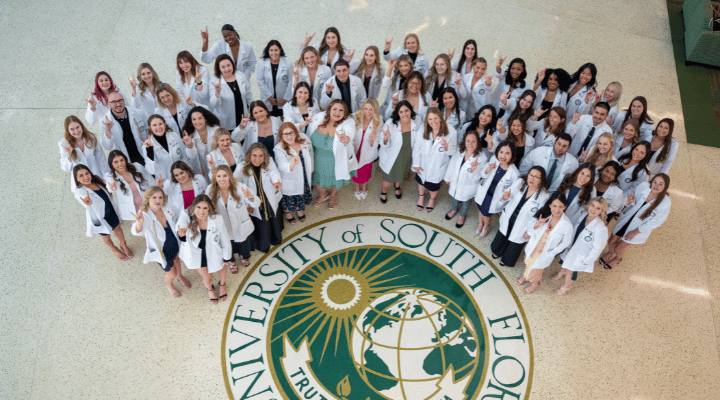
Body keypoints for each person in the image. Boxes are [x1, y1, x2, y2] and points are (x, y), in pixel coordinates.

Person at [131, 186, 192, 297]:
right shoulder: (145, 214)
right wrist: (139, 223)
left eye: (160, 197)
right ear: (148, 198)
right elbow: (137, 231)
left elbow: (179, 216)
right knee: (171, 272)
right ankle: (170, 285)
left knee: (177, 259)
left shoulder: (167, 206)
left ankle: (180, 276)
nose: (158, 200)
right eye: (154, 197)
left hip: (174, 241)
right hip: (162, 249)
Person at [601, 174, 671, 269]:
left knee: (619, 248)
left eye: (660, 184)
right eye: (655, 182)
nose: (656, 186)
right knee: (611, 242)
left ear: (665, 187)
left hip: (638, 227)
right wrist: (630, 202)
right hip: (627, 219)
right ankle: (610, 253)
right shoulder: (644, 186)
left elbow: (656, 221)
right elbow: (633, 201)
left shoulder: (665, 203)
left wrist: (636, 231)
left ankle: (618, 259)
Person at [177, 194, 234, 304]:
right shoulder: (187, 218)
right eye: (198, 207)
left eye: (205, 208)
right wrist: (182, 232)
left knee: (221, 269)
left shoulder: (217, 219)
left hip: (214, 251)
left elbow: (225, 239)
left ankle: (222, 285)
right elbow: (181, 224)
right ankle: (210, 289)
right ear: (193, 207)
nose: (201, 212)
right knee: (207, 278)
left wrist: (227, 257)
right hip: (198, 254)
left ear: (209, 209)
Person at [490, 166, 550, 267]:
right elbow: (507, 194)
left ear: (541, 180)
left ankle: (506, 259)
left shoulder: (543, 196)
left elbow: (539, 218)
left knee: (515, 244)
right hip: (510, 217)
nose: (531, 179)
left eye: (536, 177)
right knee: (503, 235)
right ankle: (498, 251)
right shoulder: (520, 183)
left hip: (524, 225)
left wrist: (530, 232)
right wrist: (506, 198)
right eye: (530, 175)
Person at [516, 192, 573, 294]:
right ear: (550, 205)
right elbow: (532, 228)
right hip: (534, 246)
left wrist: (553, 252)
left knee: (537, 269)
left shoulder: (567, 225)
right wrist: (536, 225)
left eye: (560, 206)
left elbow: (566, 243)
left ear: (565, 207)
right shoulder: (544, 214)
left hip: (546, 251)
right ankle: (525, 275)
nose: (557, 209)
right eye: (554, 206)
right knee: (528, 261)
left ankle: (535, 283)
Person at [73, 164, 132, 261]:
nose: (86, 177)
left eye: (87, 173)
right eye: (81, 176)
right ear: (77, 179)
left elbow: (109, 188)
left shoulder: (97, 181)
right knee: (106, 235)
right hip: (99, 217)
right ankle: (114, 249)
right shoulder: (79, 191)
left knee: (117, 228)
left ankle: (123, 245)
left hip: (111, 211)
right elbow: (83, 199)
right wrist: (88, 202)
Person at [206, 165, 260, 269]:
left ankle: (244, 257)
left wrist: (251, 197)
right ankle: (232, 262)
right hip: (224, 226)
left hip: (240, 224)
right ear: (215, 177)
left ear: (230, 176)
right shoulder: (210, 190)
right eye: (219, 176)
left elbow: (256, 204)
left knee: (243, 244)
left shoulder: (240, 187)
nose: (222, 179)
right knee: (227, 246)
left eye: (225, 175)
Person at [307, 100, 358, 209]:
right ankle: (324, 194)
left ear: (344, 113)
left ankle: (333, 195)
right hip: (317, 159)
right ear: (329, 110)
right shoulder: (318, 118)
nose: (337, 112)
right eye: (334, 109)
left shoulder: (348, 123)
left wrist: (346, 138)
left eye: (341, 110)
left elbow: (350, 132)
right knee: (318, 184)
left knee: (335, 180)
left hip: (335, 161)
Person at [233, 143, 284, 252]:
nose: (258, 159)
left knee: (272, 217)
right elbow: (235, 183)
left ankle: (275, 238)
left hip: (268, 197)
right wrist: (246, 204)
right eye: (254, 155)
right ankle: (263, 244)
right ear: (249, 155)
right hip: (253, 200)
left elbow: (274, 172)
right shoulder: (242, 166)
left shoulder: (269, 161)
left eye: (261, 156)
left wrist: (276, 181)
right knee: (260, 222)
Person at [554, 197, 610, 294]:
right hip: (572, 245)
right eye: (592, 205)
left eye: (598, 208)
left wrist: (588, 260)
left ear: (601, 211)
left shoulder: (601, 228)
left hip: (581, 253)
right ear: (589, 205)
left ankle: (566, 287)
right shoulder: (583, 215)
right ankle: (562, 271)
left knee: (571, 270)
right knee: (564, 261)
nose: (593, 209)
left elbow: (598, 248)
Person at [378, 101, 423, 203]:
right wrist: (386, 139)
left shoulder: (417, 121)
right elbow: (383, 142)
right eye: (401, 111)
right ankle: (384, 191)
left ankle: (397, 187)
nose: (404, 114)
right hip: (392, 156)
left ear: (411, 111)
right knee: (388, 179)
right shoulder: (391, 123)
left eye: (406, 110)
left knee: (401, 175)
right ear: (397, 113)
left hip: (406, 156)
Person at [413, 107, 457, 212]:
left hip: (438, 166)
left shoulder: (451, 131)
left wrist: (447, 147)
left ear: (441, 118)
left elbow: (453, 151)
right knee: (421, 181)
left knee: (433, 186)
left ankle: (432, 199)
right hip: (422, 163)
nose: (433, 122)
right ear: (427, 121)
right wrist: (416, 163)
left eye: (436, 118)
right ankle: (421, 196)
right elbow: (417, 147)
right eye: (430, 119)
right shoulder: (423, 129)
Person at [474, 141, 519, 237]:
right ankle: (480, 224)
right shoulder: (494, 159)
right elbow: (482, 174)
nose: (503, 156)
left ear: (512, 155)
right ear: (497, 152)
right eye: (501, 152)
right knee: (481, 209)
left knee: (487, 214)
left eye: (507, 153)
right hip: (484, 192)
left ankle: (486, 226)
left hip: (495, 197)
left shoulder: (514, 173)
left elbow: (512, 193)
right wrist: (488, 169)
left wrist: (506, 197)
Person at [444, 131, 487, 228]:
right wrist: (448, 177)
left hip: (468, 185)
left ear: (478, 143)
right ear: (464, 141)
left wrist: (473, 170)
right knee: (454, 197)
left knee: (466, 201)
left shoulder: (482, 157)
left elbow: (478, 177)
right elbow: (452, 164)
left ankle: (462, 216)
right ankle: (454, 209)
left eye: (473, 142)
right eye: (468, 141)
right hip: (455, 182)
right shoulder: (460, 150)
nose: (470, 144)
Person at [274, 123, 314, 222]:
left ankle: (298, 208)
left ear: (295, 133)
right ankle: (287, 211)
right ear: (281, 136)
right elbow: (282, 164)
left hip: (303, 173)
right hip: (289, 176)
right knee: (289, 195)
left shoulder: (303, 141)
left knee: (300, 191)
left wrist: (311, 168)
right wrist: (292, 164)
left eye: (291, 133)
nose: (289, 136)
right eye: (285, 134)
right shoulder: (279, 148)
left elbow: (310, 152)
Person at [59, 115, 110, 190]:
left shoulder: (91, 138)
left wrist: (107, 178)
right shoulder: (63, 143)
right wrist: (68, 155)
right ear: (68, 131)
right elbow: (66, 169)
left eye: (77, 127)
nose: (76, 131)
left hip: (98, 179)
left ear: (81, 126)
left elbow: (101, 161)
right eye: (72, 129)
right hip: (81, 185)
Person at [100, 91, 148, 168]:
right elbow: (107, 147)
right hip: (125, 161)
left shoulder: (137, 113)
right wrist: (108, 130)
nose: (118, 104)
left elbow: (148, 130)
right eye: (114, 102)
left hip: (143, 155)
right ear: (109, 104)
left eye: (120, 100)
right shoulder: (105, 121)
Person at [209, 54, 253, 130]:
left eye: (228, 65)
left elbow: (249, 95)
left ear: (232, 65)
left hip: (243, 118)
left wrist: (253, 110)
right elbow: (214, 104)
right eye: (223, 67)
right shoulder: (214, 81)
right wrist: (217, 93)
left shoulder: (240, 75)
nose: (227, 69)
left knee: (245, 140)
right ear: (219, 68)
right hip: (227, 122)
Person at [107, 150, 152, 221]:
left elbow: (150, 181)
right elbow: (109, 187)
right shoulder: (110, 176)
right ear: (111, 164)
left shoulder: (137, 167)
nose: (120, 164)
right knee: (140, 229)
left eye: (122, 160)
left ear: (125, 159)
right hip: (133, 208)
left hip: (147, 202)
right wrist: (111, 188)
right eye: (116, 162)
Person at [144, 114, 192, 180]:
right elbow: (151, 170)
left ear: (165, 125)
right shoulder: (146, 145)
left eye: (160, 124)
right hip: (165, 181)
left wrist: (187, 173)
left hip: (181, 177)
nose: (158, 127)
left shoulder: (175, 136)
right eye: (154, 125)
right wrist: (149, 150)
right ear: (150, 128)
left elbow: (184, 157)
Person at [182, 106, 222, 180]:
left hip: (219, 166)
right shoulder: (190, 135)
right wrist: (189, 145)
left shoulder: (216, 130)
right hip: (202, 170)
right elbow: (191, 156)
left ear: (205, 119)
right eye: (194, 119)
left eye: (200, 118)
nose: (197, 122)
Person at [352, 99, 382, 199]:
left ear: (375, 110)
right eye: (365, 108)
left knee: (365, 170)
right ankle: (356, 186)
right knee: (355, 169)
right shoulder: (356, 117)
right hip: (356, 148)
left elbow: (377, 143)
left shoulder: (378, 122)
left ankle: (364, 186)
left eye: (371, 109)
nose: (367, 112)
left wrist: (373, 140)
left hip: (368, 150)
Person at [257, 40, 293, 118]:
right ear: (268, 51)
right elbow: (260, 81)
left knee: (285, 120)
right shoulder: (262, 62)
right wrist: (269, 97)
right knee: (270, 121)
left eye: (276, 50)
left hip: (283, 99)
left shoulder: (287, 62)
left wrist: (285, 98)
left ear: (280, 50)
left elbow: (291, 81)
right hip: (268, 100)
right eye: (271, 50)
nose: (274, 53)